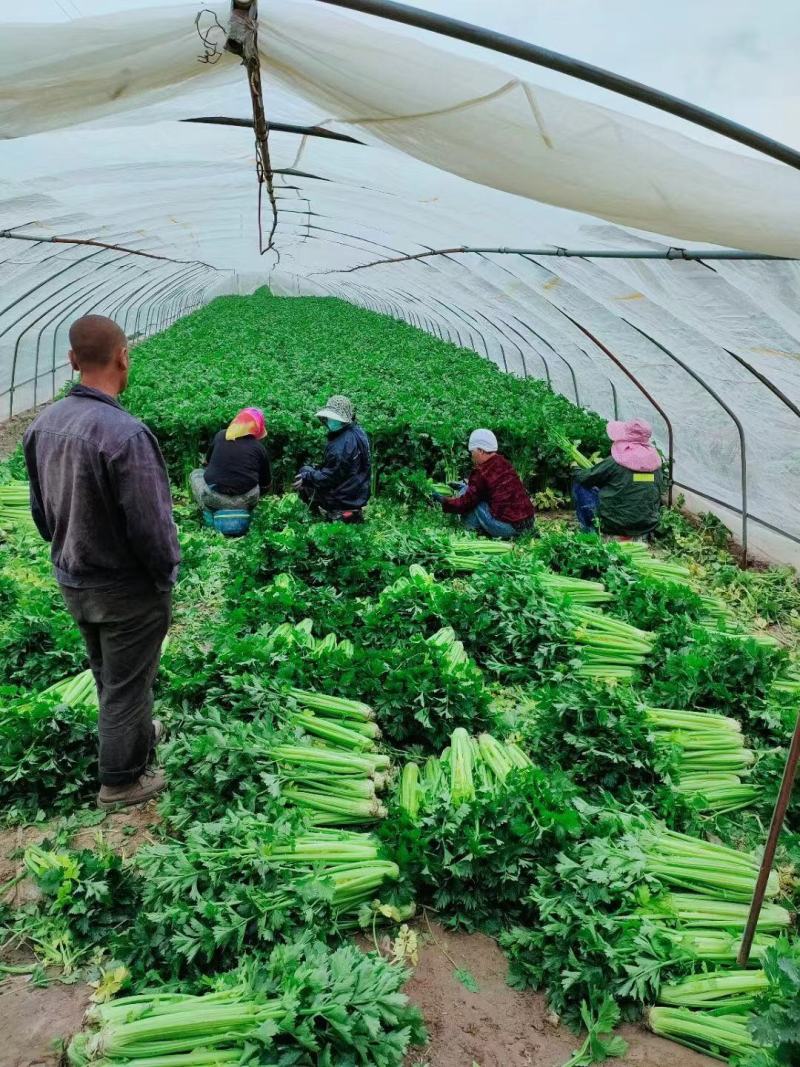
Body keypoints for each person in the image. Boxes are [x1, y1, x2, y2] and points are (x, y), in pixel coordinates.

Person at [23, 314, 180, 809]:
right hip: (124, 590)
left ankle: (133, 737)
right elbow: (151, 528)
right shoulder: (126, 435)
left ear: (71, 361)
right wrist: (164, 576)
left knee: (109, 675)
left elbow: (41, 514)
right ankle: (120, 782)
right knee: (128, 683)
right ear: (123, 356)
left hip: (75, 580)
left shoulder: (43, 425)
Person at [431, 429, 535, 539]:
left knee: (472, 502)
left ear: (480, 450)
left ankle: (469, 529)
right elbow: (490, 489)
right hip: (528, 524)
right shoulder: (503, 462)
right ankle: (477, 528)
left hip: (509, 529)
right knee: (468, 491)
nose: (472, 456)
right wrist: (466, 486)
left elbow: (466, 503)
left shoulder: (481, 472)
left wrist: (444, 500)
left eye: (472, 452)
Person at [572, 418, 664, 538]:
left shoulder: (615, 462)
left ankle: (590, 530)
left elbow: (585, 478)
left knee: (580, 484)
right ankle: (641, 535)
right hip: (647, 525)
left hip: (614, 525)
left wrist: (575, 468)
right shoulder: (655, 464)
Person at [293, 394, 371, 522]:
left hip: (342, 498)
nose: (329, 420)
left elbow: (329, 477)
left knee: (304, 473)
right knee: (311, 472)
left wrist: (307, 477)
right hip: (357, 493)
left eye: (332, 417)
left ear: (342, 420)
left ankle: (325, 514)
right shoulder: (360, 432)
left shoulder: (339, 447)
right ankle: (349, 513)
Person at [190, 407, 271, 516]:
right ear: (258, 427)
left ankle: (208, 512)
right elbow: (266, 484)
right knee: (256, 485)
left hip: (214, 499)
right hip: (245, 501)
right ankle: (246, 513)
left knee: (195, 474)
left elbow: (207, 463)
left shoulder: (221, 435)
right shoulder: (259, 448)